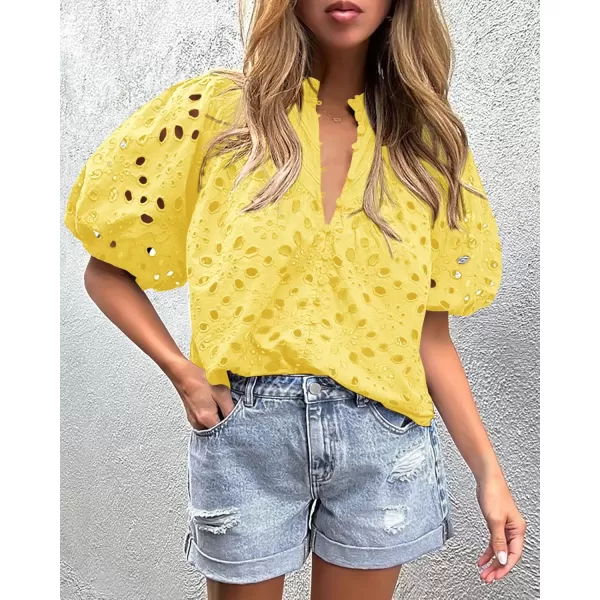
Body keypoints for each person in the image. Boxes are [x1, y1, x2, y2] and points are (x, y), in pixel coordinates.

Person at [63, 0, 526, 598]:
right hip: (246, 432)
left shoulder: (425, 147)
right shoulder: (218, 115)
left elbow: (428, 337)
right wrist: (184, 374)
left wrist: (489, 473)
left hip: (382, 438)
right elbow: (106, 271)